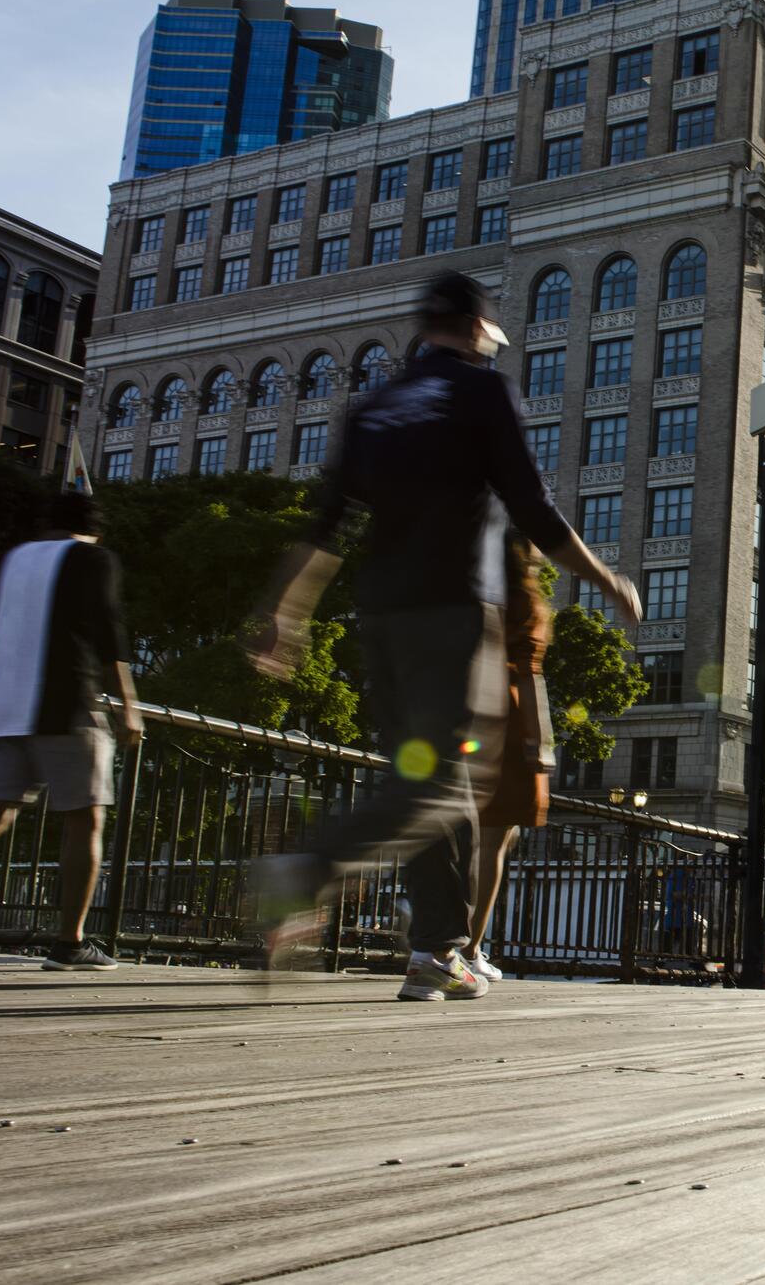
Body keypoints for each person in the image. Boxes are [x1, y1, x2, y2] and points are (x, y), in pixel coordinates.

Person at [248, 273, 639, 1002]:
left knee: (442, 774)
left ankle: (436, 949)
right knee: (438, 779)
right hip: (454, 608)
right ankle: (308, 869)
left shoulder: (374, 406)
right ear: (473, 328)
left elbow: (326, 522)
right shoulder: (480, 389)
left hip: (381, 614)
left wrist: (287, 613)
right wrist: (603, 576)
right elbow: (532, 502)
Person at [0, 491, 143, 970]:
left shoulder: (10, 559)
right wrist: (128, 704)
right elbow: (108, 629)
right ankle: (69, 943)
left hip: (1, 713)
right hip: (67, 708)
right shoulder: (93, 559)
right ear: (94, 528)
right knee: (85, 818)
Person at [465, 534, 554, 981]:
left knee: (459, 833)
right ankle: (469, 947)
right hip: (503, 714)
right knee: (493, 841)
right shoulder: (522, 600)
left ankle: (440, 940)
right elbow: (529, 674)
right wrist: (541, 743)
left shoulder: (462, 592)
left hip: (456, 711)